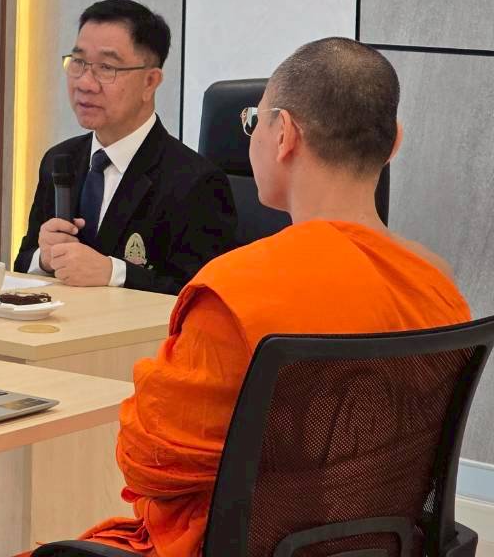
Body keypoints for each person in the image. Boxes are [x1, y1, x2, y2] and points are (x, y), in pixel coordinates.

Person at [56, 37, 472, 556]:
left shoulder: (235, 287)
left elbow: (147, 461)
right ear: (395, 143)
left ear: (284, 135)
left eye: (254, 122)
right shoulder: (438, 285)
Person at [13, 0, 239, 293]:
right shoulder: (61, 160)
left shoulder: (195, 182)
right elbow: (22, 262)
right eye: (78, 62)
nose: (85, 83)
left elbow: (203, 294)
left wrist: (115, 273)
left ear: (150, 82)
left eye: (106, 68)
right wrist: (44, 258)